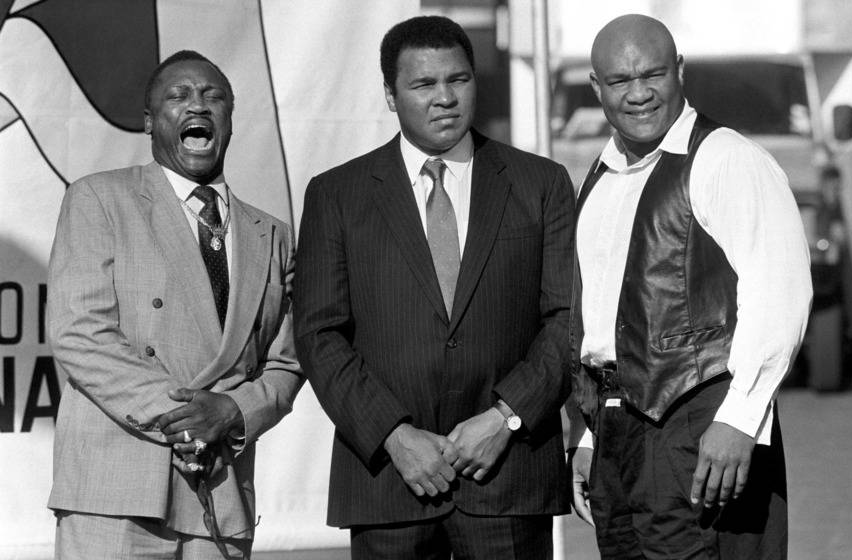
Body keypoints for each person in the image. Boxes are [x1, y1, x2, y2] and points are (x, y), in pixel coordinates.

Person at [293, 15, 574, 560]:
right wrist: (394, 436)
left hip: (507, 476)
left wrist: (506, 418)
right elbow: (319, 334)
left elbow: (567, 319)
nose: (445, 97)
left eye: (458, 80)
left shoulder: (540, 183)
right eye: (424, 84)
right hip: (389, 482)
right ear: (390, 95)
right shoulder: (337, 195)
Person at [567, 14, 812, 559]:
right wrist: (587, 435)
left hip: (700, 426)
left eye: (652, 74)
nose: (638, 94)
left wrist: (740, 418)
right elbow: (596, 318)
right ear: (597, 87)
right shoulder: (600, 173)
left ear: (679, 69)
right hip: (615, 433)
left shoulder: (727, 158)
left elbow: (780, 292)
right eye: (620, 80)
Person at [47, 50, 303, 559]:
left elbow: (287, 362)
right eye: (179, 95)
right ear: (150, 121)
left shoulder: (273, 234)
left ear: (230, 119)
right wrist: (186, 420)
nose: (198, 105)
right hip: (117, 488)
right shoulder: (100, 199)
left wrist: (232, 411)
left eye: (213, 96)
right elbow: (79, 333)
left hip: (220, 493)